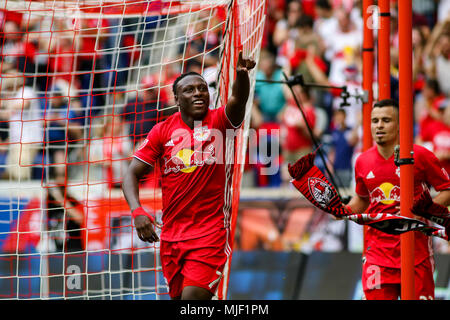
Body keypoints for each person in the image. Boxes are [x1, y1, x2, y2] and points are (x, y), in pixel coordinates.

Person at [122, 52, 256, 300]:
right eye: (189, 90)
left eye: (202, 88)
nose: (197, 93)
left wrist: (241, 74)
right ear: (176, 98)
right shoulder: (162, 131)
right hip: (171, 237)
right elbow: (131, 173)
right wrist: (137, 211)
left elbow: (238, 100)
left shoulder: (220, 122)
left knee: (192, 300)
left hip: (210, 234)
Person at [346, 99, 450, 300]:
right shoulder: (362, 161)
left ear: (400, 124)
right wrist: (341, 210)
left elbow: (447, 189)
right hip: (377, 255)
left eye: (386, 120)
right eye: (375, 121)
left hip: (416, 255)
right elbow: (361, 200)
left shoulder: (420, 156)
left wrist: (427, 210)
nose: (379, 126)